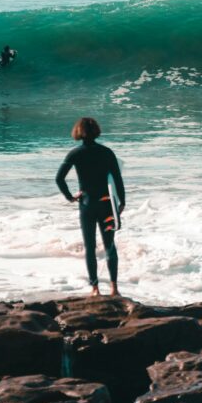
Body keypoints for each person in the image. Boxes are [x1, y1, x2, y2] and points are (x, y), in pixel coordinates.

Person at [56, 117, 126, 297]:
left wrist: (70, 197)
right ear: (96, 131)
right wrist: (121, 202)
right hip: (107, 205)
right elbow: (118, 179)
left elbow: (59, 179)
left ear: (78, 132)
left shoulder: (75, 153)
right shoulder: (107, 152)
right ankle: (114, 288)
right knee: (110, 246)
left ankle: (95, 289)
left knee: (90, 247)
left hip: (87, 205)